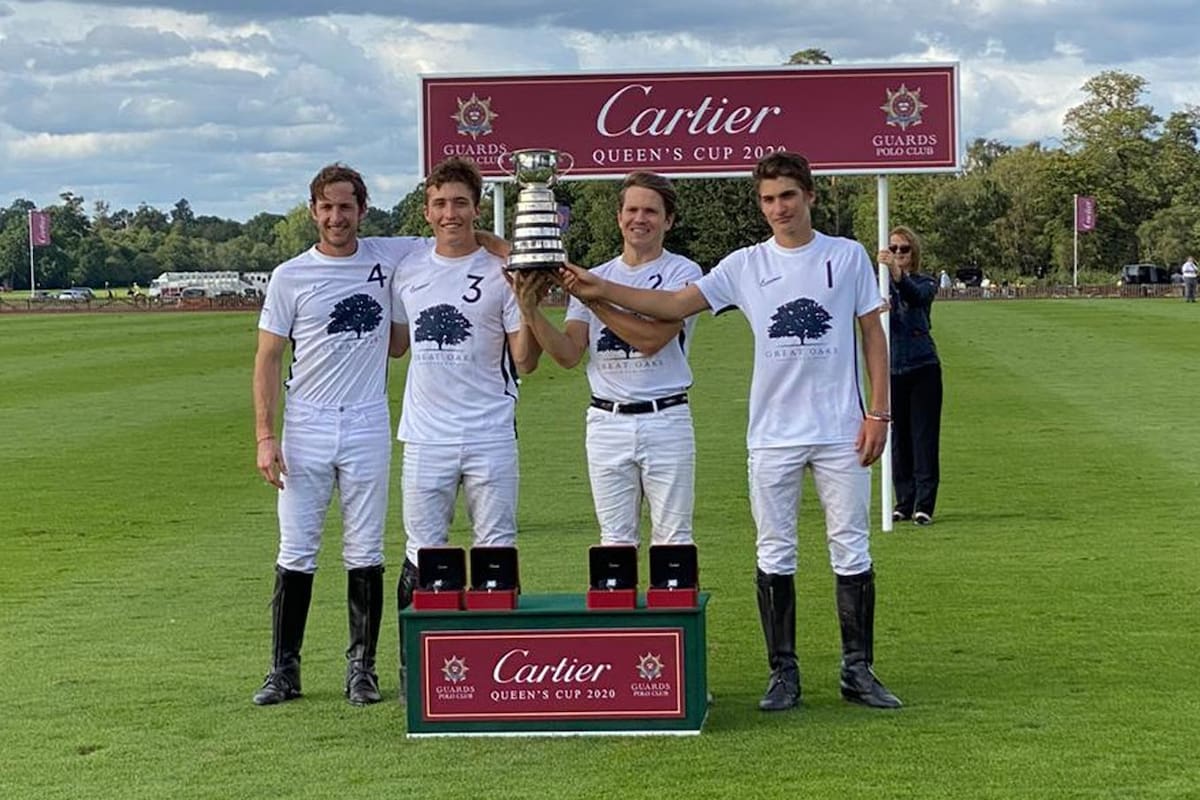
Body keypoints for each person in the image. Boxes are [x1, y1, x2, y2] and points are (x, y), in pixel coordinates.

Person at [561, 151, 901, 712]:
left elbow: (873, 336)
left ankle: (857, 670)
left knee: (850, 547)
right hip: (771, 433)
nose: (778, 209)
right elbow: (671, 304)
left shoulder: (846, 256)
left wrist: (879, 413)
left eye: (787, 196)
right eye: (767, 199)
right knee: (775, 550)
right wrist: (597, 288)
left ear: (809, 197)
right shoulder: (745, 264)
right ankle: (783, 674)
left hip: (840, 427)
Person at [252, 163, 434, 707]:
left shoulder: (387, 255)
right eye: (327, 207)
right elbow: (266, 358)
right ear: (313, 211)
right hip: (305, 423)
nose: (337, 217)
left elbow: (456, 233)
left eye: (346, 207)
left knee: (365, 548)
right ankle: (284, 671)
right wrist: (265, 435)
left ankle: (363, 669)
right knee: (297, 549)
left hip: (366, 420)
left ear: (362, 209)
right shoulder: (290, 275)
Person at [390, 156, 541, 686]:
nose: (449, 213)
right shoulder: (407, 268)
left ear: (475, 209)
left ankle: (497, 665)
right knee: (422, 551)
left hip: (489, 433)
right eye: (439, 204)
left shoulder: (503, 272)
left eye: (459, 203)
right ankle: (419, 668)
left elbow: (525, 360)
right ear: (426, 212)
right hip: (425, 436)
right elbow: (393, 342)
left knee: (496, 545)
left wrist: (528, 292)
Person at [511, 172, 702, 548]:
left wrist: (594, 296)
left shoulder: (684, 272)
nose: (639, 219)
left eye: (651, 211)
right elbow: (567, 354)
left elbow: (651, 340)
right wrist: (529, 309)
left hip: (665, 419)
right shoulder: (595, 275)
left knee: (674, 541)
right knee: (614, 543)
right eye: (631, 210)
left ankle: (672, 609)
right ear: (618, 217)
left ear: (669, 220)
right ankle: (617, 608)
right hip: (606, 423)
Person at [880, 226, 942, 527]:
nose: (898, 254)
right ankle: (903, 501)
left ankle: (924, 504)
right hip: (892, 369)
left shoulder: (924, 282)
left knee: (923, 438)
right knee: (898, 440)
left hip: (922, 367)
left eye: (903, 249)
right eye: (893, 249)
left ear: (912, 253)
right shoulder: (879, 285)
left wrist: (896, 275)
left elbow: (916, 297)